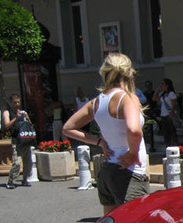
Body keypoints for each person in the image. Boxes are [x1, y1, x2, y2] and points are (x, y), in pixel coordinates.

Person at [62, 52, 149, 214]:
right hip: (128, 172)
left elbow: (68, 128)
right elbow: (134, 130)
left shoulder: (96, 102)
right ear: (129, 72)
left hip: (108, 170)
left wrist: (99, 142)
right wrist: (133, 153)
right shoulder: (128, 98)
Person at [2, 94, 33, 189]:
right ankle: (11, 180)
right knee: (17, 162)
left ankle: (25, 179)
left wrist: (27, 118)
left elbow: (30, 125)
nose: (17, 104)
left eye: (18, 102)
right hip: (16, 139)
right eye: (15, 102)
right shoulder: (7, 112)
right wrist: (16, 118)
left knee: (28, 161)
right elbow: (7, 126)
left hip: (25, 139)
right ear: (11, 103)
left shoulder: (23, 112)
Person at [154, 78, 179, 146]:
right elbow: (154, 99)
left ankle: (175, 143)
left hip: (169, 114)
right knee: (166, 131)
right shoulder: (162, 93)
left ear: (167, 85)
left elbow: (174, 105)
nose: (162, 85)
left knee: (172, 130)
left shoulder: (171, 94)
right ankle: (167, 144)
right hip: (163, 114)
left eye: (163, 84)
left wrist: (171, 114)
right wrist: (157, 90)